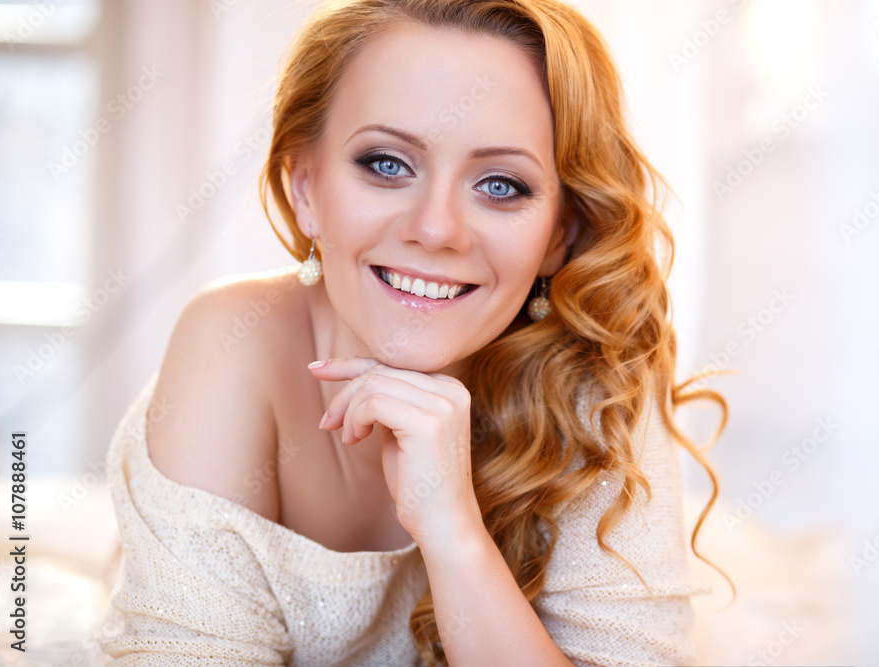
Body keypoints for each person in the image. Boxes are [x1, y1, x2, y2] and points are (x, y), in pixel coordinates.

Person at [93, 0, 729, 664]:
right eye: (387, 164)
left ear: (558, 234)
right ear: (304, 184)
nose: (436, 228)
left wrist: (454, 533)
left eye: (501, 185)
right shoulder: (233, 341)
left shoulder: (595, 376)